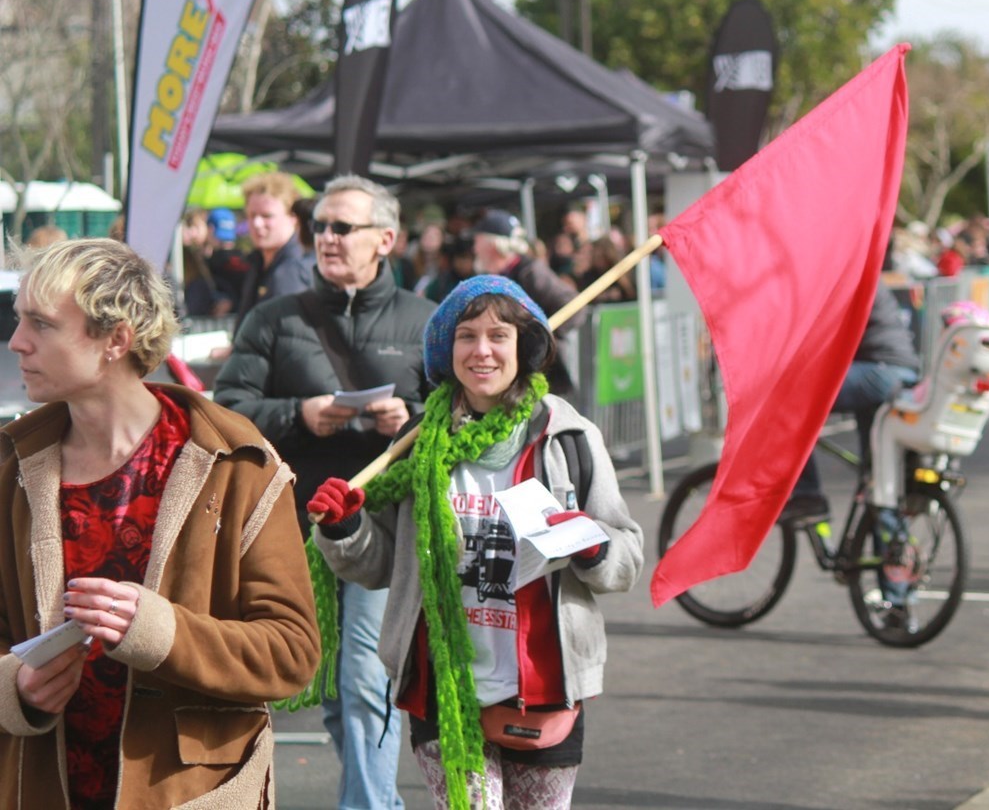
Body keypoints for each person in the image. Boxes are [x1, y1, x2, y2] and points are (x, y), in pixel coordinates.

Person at [0, 238, 319, 807]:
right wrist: (14, 688)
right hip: (45, 788)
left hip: (192, 793)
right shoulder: (11, 469)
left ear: (115, 340)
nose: (16, 341)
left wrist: (162, 631)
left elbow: (291, 652)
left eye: (41, 325)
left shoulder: (237, 463)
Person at [308, 276, 643, 809]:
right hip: (442, 690)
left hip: (544, 688)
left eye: (498, 335)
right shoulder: (417, 444)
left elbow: (626, 558)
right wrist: (344, 530)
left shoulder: (568, 437)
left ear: (524, 347)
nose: (481, 350)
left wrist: (592, 547)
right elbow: (377, 566)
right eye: (466, 336)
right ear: (448, 349)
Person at [216, 174, 436, 809]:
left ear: (385, 240)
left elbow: (458, 419)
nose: (327, 238)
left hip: (380, 529)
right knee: (328, 684)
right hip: (292, 526)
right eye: (320, 227)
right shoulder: (273, 318)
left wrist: (412, 420)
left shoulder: (425, 322)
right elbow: (229, 408)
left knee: (365, 676)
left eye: (343, 227)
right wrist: (299, 414)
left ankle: (371, 806)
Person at [781, 280, 922, 523]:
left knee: (787, 406)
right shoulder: (870, 276)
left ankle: (807, 495)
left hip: (879, 373)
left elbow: (823, 335)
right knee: (877, 474)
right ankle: (891, 551)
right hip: (901, 374)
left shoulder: (852, 278)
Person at [471, 210, 580, 394]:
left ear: (492, 245)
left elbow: (573, 306)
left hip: (541, 373)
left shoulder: (530, 272)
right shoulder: (490, 277)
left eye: (478, 241)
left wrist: (540, 337)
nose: (474, 249)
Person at [239, 171, 314, 319]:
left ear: (293, 218)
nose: (257, 223)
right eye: (252, 215)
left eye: (267, 216)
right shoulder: (258, 262)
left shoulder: (295, 270)